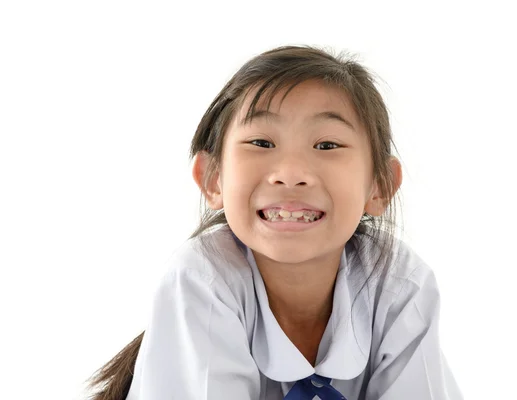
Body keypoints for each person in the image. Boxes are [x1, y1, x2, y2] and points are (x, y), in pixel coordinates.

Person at [86, 45, 463, 400]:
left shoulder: (398, 284)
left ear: (379, 186)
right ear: (212, 179)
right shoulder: (201, 281)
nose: (291, 174)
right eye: (262, 143)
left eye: (327, 145)